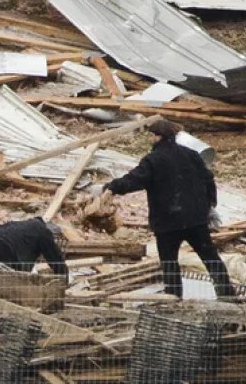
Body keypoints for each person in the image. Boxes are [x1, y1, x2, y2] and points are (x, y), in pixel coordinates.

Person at [101, 120, 235, 299]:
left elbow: (135, 179)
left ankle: (173, 300)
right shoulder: (191, 154)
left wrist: (112, 187)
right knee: (211, 258)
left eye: (151, 135)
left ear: (158, 136)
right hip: (195, 220)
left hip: (167, 223)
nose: (149, 138)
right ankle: (228, 296)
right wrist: (208, 205)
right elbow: (208, 179)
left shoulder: (153, 160)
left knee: (170, 265)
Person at [0, 218, 68, 277]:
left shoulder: (25, 227)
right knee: (10, 281)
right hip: (5, 245)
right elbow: (55, 259)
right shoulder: (43, 231)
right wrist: (64, 279)